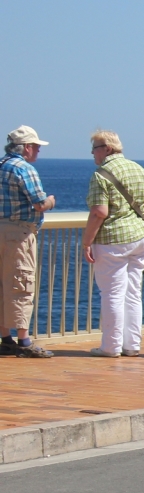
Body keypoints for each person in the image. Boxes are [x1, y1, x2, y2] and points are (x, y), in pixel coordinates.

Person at [81, 131, 144, 358]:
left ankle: (111, 346)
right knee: (133, 292)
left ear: (107, 149)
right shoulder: (137, 168)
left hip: (113, 240)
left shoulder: (100, 175)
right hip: (140, 237)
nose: (92, 152)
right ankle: (132, 344)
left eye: (95, 148)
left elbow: (99, 212)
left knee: (112, 293)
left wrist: (86, 242)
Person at [0, 126, 55, 359]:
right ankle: (24, 340)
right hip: (19, 233)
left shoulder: (1, 165)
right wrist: (51, 201)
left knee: (2, 284)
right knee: (22, 283)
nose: (39, 151)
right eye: (37, 147)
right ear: (27, 148)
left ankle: (5, 338)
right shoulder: (24, 168)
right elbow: (39, 203)